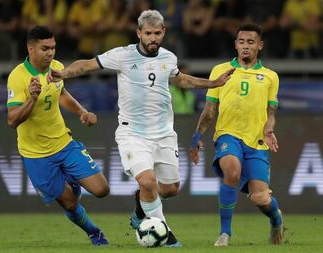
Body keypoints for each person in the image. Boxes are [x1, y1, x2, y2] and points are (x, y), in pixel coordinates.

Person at [50, 10, 234, 247]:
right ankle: (165, 235)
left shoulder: (168, 58)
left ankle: (140, 211)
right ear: (139, 33)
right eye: (148, 33)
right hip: (132, 133)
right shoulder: (122, 55)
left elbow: (180, 80)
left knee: (169, 189)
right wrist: (64, 72)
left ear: (163, 32)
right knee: (147, 182)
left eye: (157, 33)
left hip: (164, 133)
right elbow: (88, 64)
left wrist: (213, 83)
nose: (152, 38)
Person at [6, 26, 110, 246]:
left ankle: (70, 179)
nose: (51, 53)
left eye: (53, 47)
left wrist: (82, 111)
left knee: (102, 189)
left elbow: (61, 94)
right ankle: (94, 232)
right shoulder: (18, 77)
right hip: (36, 155)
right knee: (70, 204)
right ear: (31, 48)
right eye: (45, 48)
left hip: (64, 143)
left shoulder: (57, 68)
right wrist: (32, 99)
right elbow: (12, 120)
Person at [189, 23, 283, 247]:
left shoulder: (270, 76)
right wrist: (196, 136)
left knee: (260, 198)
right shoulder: (220, 71)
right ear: (235, 45)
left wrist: (269, 128)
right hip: (228, 135)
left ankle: (276, 219)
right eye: (241, 42)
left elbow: (271, 113)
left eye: (250, 42)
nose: (245, 46)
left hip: (257, 142)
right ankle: (225, 234)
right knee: (231, 171)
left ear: (260, 45)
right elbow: (210, 109)